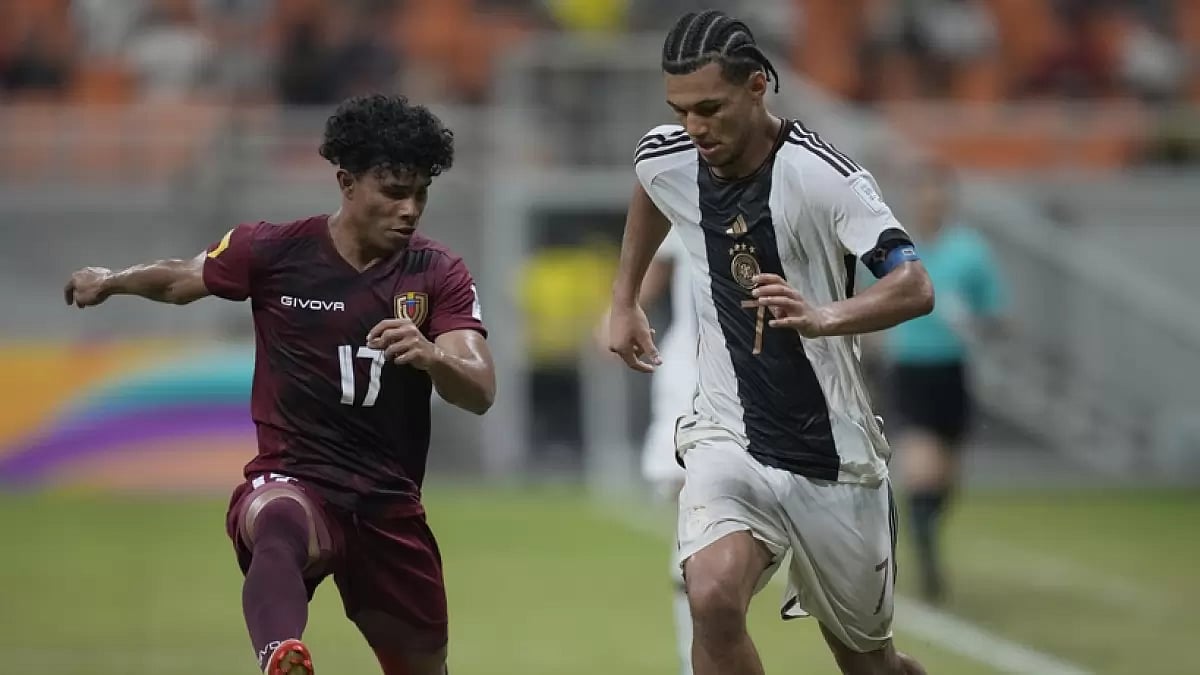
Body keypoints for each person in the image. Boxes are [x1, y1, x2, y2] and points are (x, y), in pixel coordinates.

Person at [63, 94, 494, 675]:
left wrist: (431, 358)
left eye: (421, 193)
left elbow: (480, 389)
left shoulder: (438, 271)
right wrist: (111, 281)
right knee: (275, 513)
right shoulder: (271, 250)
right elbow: (179, 280)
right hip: (301, 475)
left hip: (388, 504)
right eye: (393, 192)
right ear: (346, 182)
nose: (410, 209)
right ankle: (281, 657)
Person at [607, 10, 935, 675]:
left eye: (710, 108)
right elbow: (650, 184)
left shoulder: (825, 176)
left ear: (757, 86)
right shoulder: (670, 156)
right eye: (681, 110)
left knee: (869, 663)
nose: (694, 127)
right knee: (711, 595)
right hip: (728, 434)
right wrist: (624, 299)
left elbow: (915, 286)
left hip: (833, 455)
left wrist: (822, 315)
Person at [882, 164, 1007, 604]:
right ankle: (927, 562)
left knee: (948, 478)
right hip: (910, 371)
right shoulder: (895, 250)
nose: (930, 201)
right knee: (922, 469)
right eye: (923, 193)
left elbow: (998, 316)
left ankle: (925, 525)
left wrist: (973, 321)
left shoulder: (970, 252)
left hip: (952, 372)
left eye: (938, 193)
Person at [598, 228, 699, 675]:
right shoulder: (685, 185)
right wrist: (619, 310)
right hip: (692, 376)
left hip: (770, 378)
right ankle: (692, 658)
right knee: (691, 520)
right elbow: (654, 266)